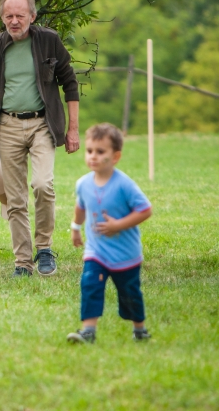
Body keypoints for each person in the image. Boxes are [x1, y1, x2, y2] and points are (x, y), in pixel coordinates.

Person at [0, 0, 80, 277]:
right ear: (2, 19)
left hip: (42, 124)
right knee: (14, 197)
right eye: (9, 16)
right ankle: (22, 262)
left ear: (32, 16)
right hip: (6, 126)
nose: (14, 20)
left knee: (43, 184)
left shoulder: (49, 41)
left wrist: (73, 130)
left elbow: (70, 84)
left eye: (20, 15)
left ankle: (44, 248)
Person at [67, 123, 152, 343]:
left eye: (100, 152)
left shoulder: (125, 185)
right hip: (96, 252)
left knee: (130, 295)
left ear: (115, 156)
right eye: (89, 151)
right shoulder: (83, 183)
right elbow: (81, 206)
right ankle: (88, 331)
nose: (93, 156)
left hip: (126, 255)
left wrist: (118, 225)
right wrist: (76, 227)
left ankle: (140, 330)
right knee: (90, 285)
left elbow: (145, 210)